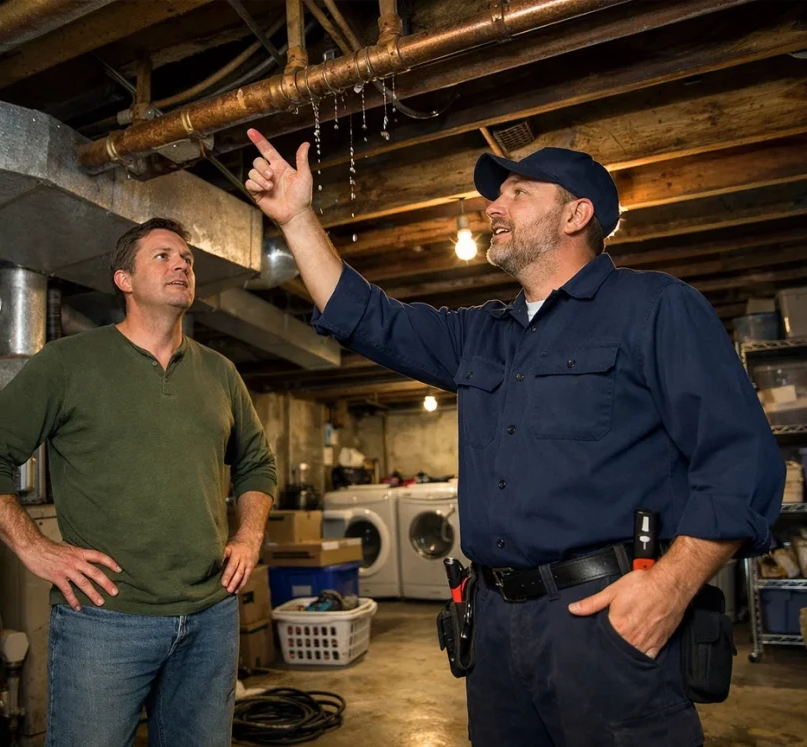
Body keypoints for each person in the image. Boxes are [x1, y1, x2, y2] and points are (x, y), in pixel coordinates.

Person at [243, 129, 783, 746]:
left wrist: (671, 585)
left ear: (577, 214)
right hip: (495, 625)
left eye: (519, 193)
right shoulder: (482, 334)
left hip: (602, 618)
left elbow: (741, 460)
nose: (494, 207)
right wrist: (298, 217)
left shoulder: (656, 307)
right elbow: (368, 317)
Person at [0, 217, 277, 747]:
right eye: (163, 256)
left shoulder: (220, 374)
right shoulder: (68, 363)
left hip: (210, 616)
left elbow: (257, 463)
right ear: (123, 279)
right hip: (106, 620)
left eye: (187, 259)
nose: (182, 265)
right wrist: (36, 549)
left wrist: (249, 533)